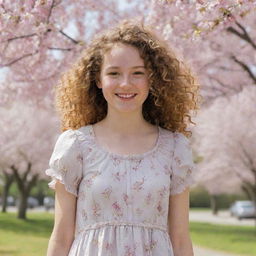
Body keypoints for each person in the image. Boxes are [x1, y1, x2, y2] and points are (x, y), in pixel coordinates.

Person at [45, 19, 200, 256]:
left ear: (152, 78)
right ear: (98, 79)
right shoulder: (75, 146)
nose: (125, 84)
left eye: (137, 73)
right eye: (114, 73)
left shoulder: (174, 148)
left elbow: (180, 239)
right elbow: (62, 235)